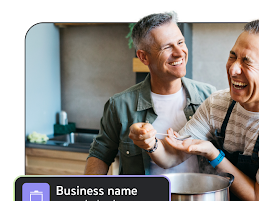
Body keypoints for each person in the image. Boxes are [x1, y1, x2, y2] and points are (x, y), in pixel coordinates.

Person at [129, 19, 259, 201]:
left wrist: (214, 154)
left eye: (247, 61)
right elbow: (171, 156)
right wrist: (150, 144)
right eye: (232, 56)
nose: (233, 69)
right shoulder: (218, 104)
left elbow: (258, 200)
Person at [84, 11, 216, 175]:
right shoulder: (119, 105)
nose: (179, 52)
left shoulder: (209, 97)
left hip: (197, 199)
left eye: (180, 42)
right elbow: (99, 155)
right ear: (144, 57)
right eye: (167, 47)